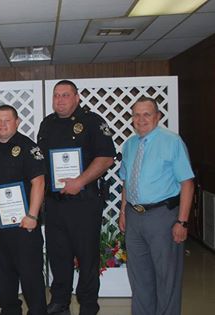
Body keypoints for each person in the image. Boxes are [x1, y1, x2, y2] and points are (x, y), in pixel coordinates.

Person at [38, 80, 116, 315]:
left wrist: (79, 182)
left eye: (65, 95)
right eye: (56, 96)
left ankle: (89, 305)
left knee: (87, 257)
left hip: (84, 203)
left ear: (77, 97)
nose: (60, 100)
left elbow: (106, 157)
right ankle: (60, 301)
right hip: (54, 203)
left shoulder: (92, 122)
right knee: (58, 255)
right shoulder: (47, 124)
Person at [118, 96, 194, 315]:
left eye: (147, 114)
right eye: (136, 115)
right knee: (139, 277)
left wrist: (182, 221)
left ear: (158, 116)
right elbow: (126, 181)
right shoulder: (130, 144)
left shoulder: (172, 142)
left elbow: (187, 183)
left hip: (162, 217)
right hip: (134, 217)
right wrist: (123, 211)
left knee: (166, 277)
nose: (141, 119)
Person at [0, 105, 47, 315]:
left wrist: (33, 215)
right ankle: (9, 310)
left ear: (17, 122)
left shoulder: (28, 147)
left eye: (7, 120)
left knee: (30, 274)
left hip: (24, 225)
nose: (2, 124)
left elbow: (39, 182)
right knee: (3, 273)